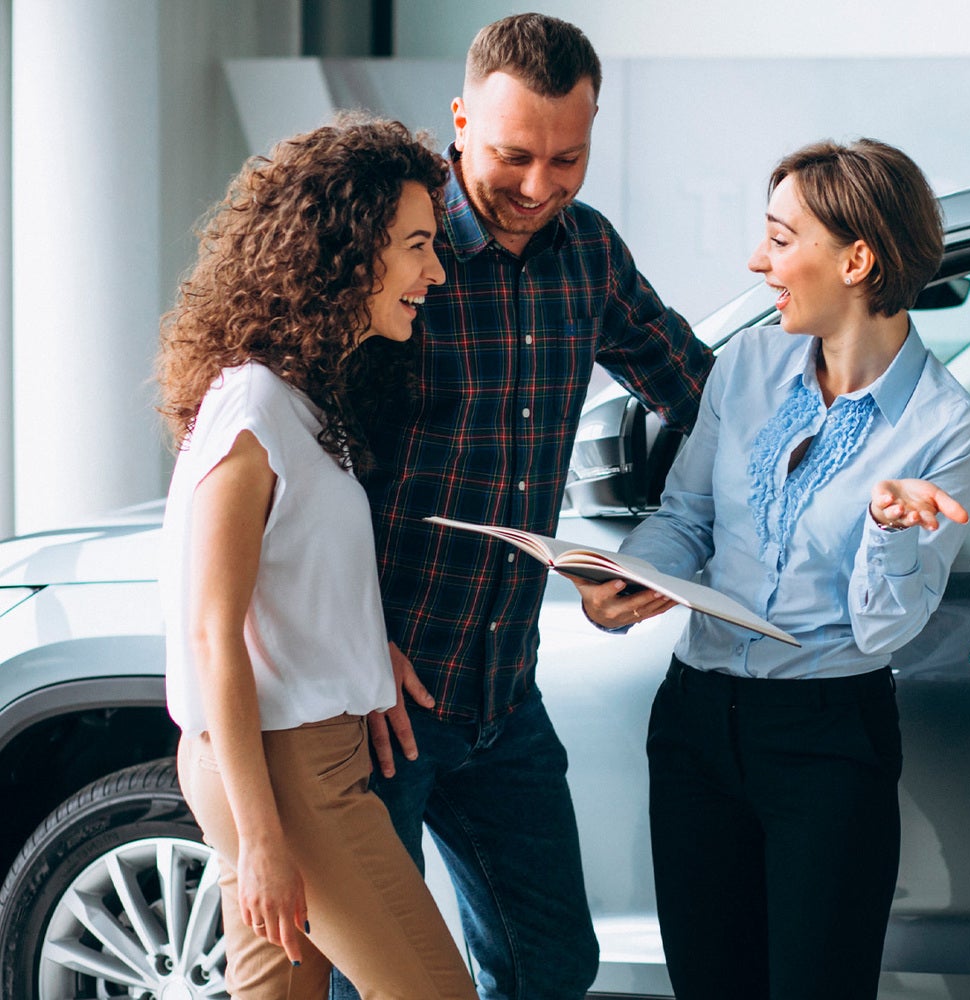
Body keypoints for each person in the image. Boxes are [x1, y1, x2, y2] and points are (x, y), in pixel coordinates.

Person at [330, 13, 714, 1000]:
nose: (539, 188)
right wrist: (354, 639)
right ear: (459, 122)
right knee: (367, 977)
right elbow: (307, 468)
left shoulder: (587, 254)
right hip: (379, 702)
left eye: (568, 158)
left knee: (551, 968)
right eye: (512, 156)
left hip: (504, 694)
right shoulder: (391, 257)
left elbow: (700, 394)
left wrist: (673, 543)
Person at [575, 138, 970, 1000]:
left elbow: (886, 628)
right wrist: (636, 577)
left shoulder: (951, 428)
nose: (758, 260)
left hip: (825, 741)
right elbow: (689, 517)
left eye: (779, 237)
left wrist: (889, 530)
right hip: (694, 725)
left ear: (856, 259)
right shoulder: (746, 368)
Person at [157, 117, 478, 1000]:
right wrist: (262, 838)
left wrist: (359, 650)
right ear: (346, 249)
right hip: (282, 774)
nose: (436, 272)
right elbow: (213, 631)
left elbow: (286, 585)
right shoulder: (254, 404)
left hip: (295, 760)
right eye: (417, 246)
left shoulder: (300, 397)